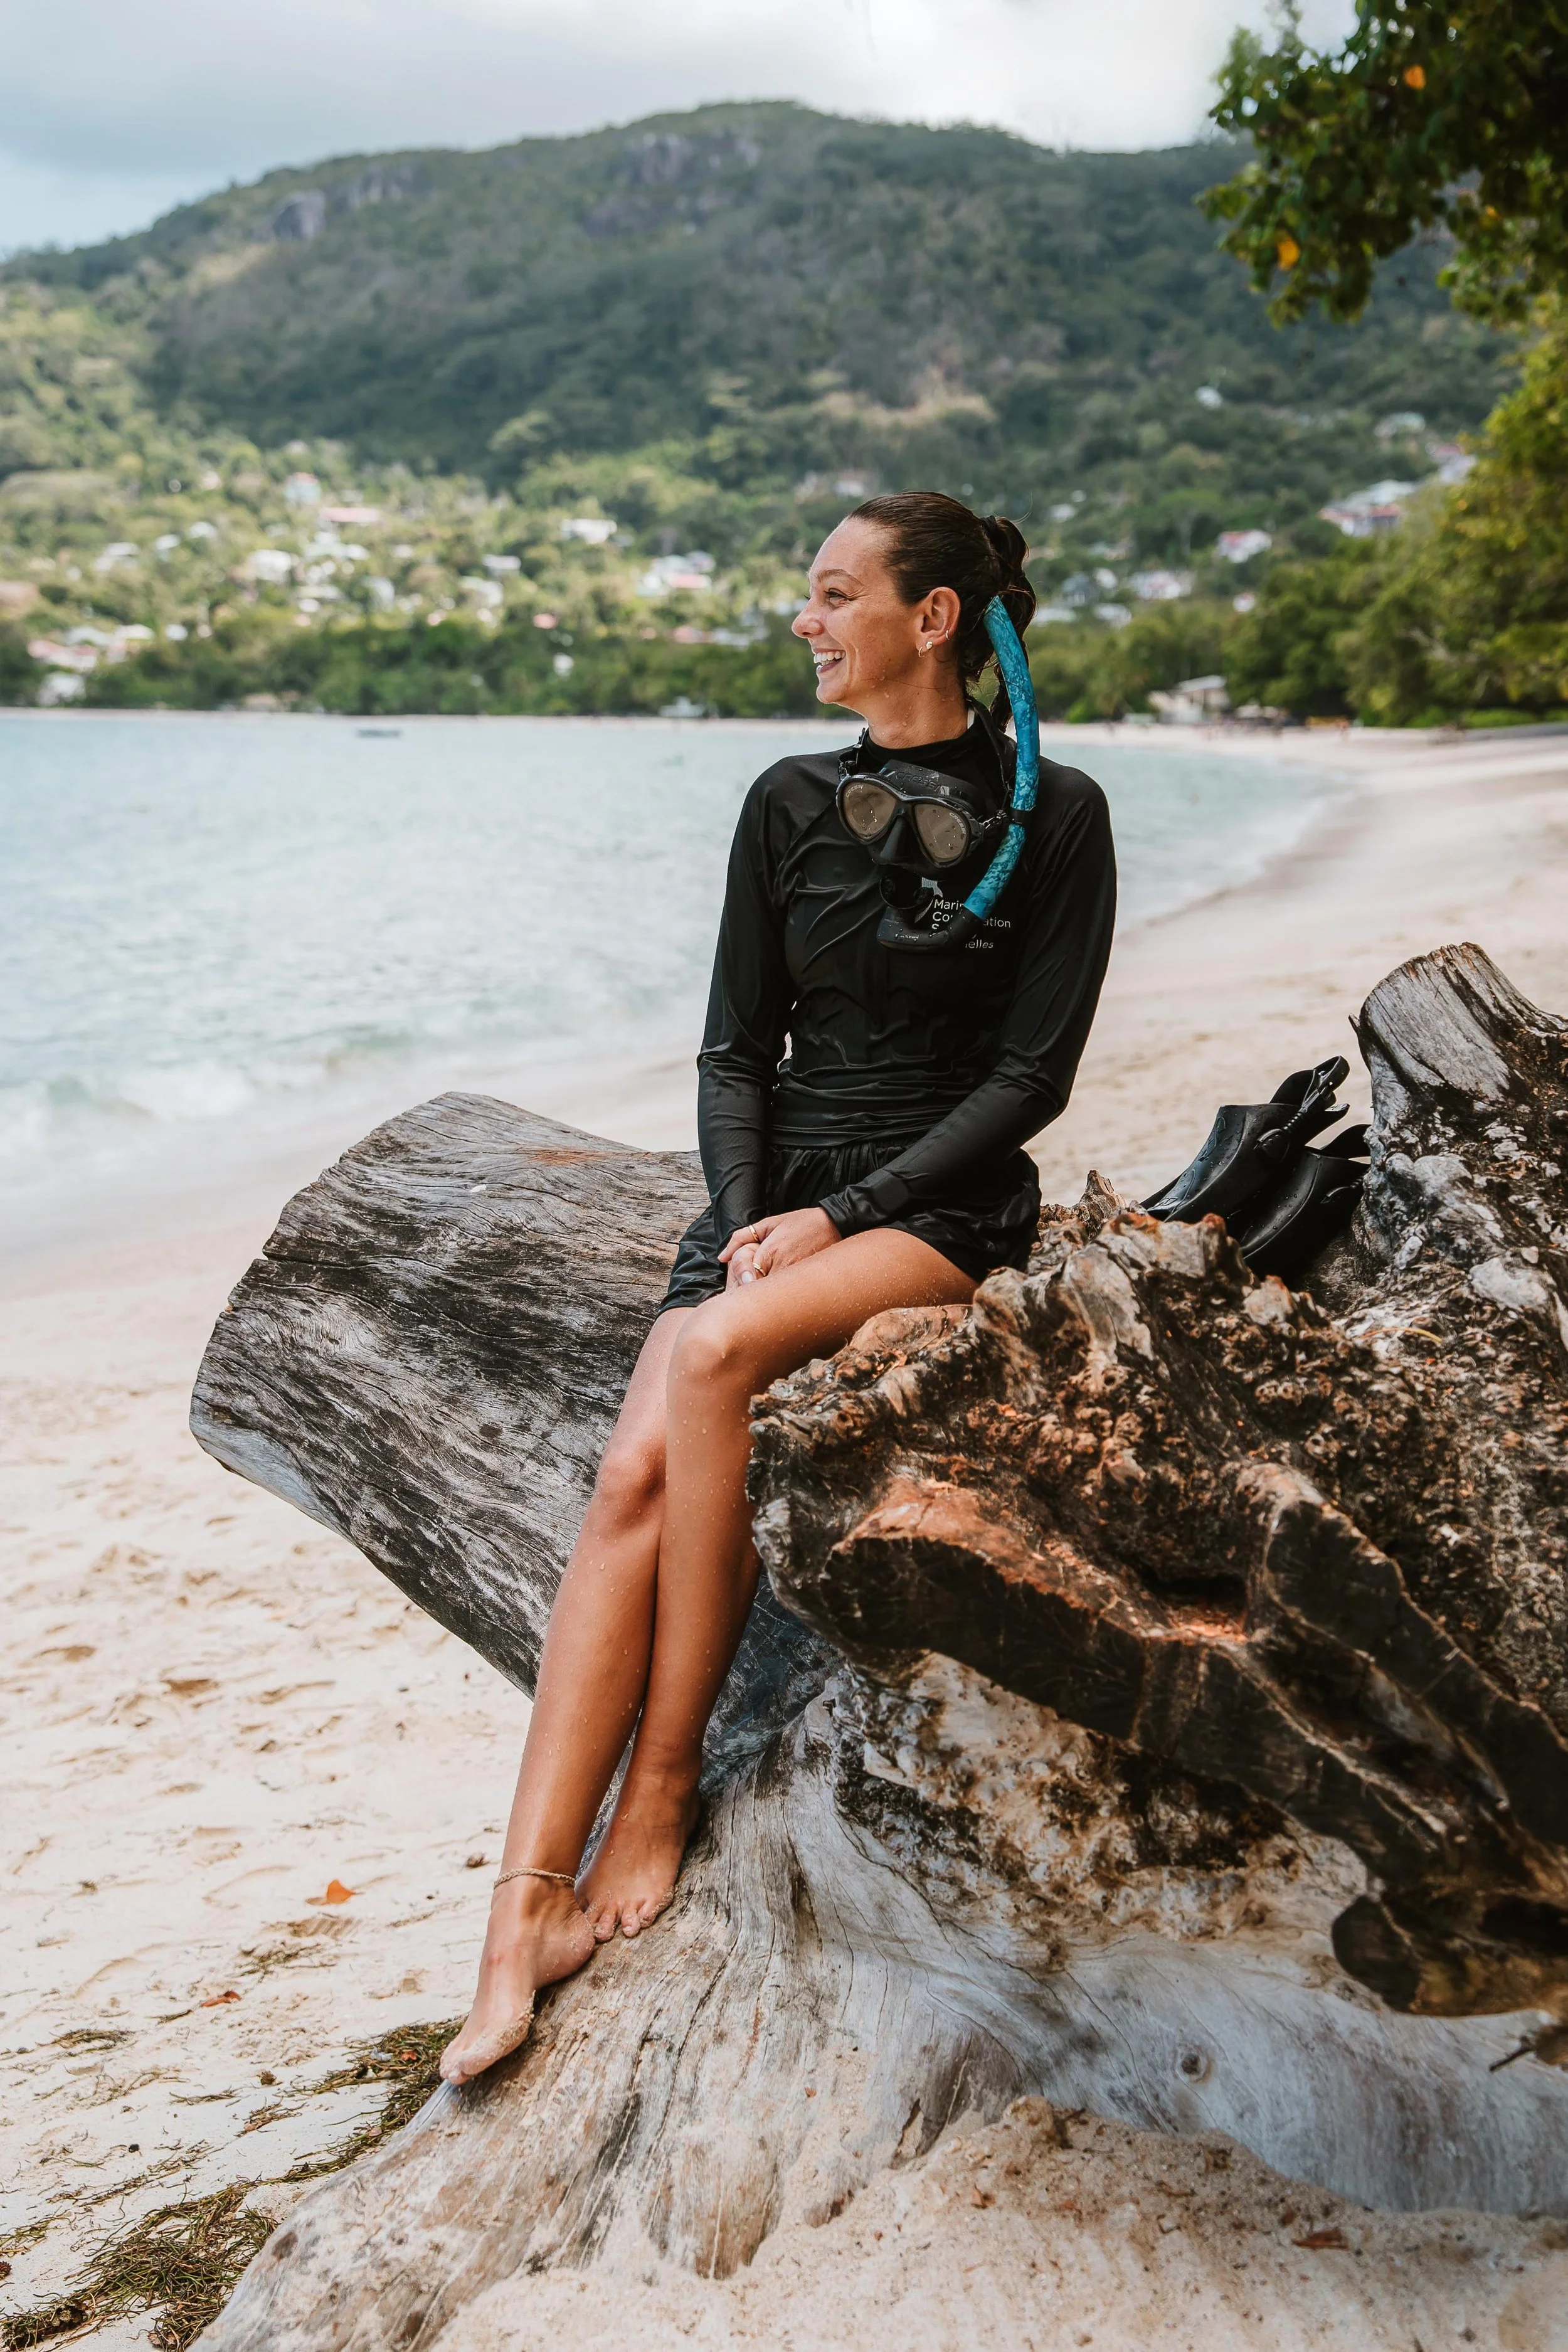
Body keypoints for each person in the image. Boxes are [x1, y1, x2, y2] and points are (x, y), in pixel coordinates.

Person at [440, 491, 1116, 2085]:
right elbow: (736, 1046)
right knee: (628, 1477)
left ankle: (661, 1785)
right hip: (777, 1202)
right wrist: (750, 1213)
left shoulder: (1062, 814)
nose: (803, 622)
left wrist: (844, 1218)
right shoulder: (783, 798)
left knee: (719, 1356)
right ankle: (519, 1909)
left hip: (938, 1209)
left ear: (931, 618)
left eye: (830, 593)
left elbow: (1033, 1073)